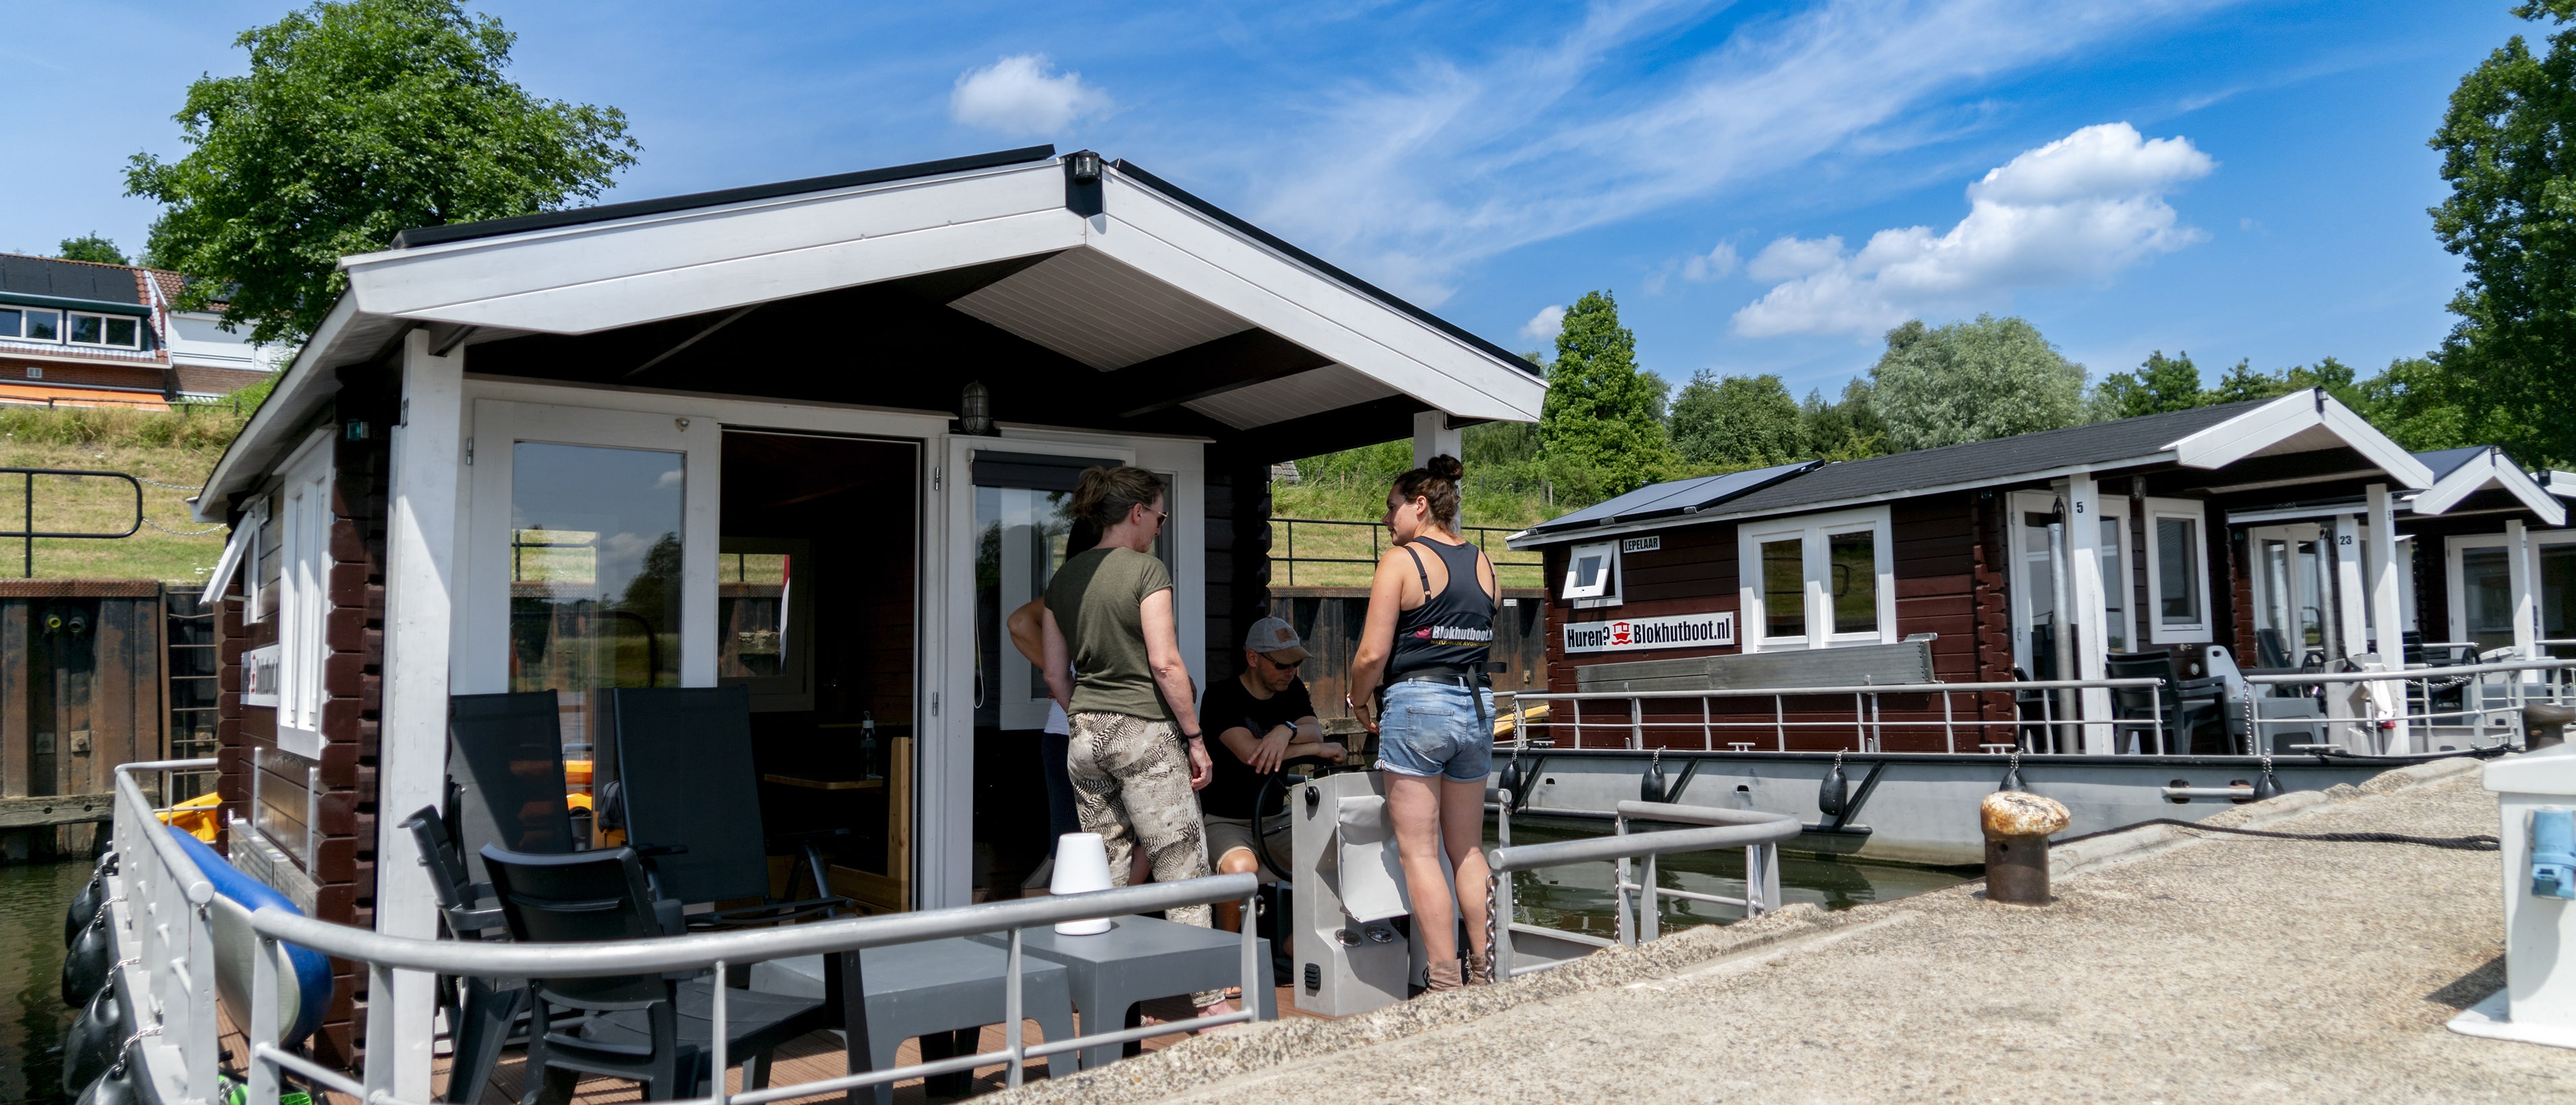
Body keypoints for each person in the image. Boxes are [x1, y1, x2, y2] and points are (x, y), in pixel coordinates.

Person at [1039, 465, 1239, 1024]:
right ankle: (1211, 1001)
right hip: (1144, 731)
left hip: (1083, 736)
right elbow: (1165, 662)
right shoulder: (1146, 570)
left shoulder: (1065, 578)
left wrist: (1089, 715)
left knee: (1109, 867)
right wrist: (1195, 739)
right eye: (1158, 514)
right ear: (1135, 514)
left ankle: (1113, 996)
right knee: (1180, 860)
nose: (1159, 524)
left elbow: (1056, 676)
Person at [1346, 454, 1498, 991]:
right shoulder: (1485, 563)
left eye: (1391, 509)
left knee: (1418, 850)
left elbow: (1371, 654)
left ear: (1419, 504)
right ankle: (1485, 967)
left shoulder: (1401, 561)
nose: (1387, 520)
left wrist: (1358, 699)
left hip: (1418, 703)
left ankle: (1443, 981)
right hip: (1478, 706)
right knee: (1468, 849)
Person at [1197, 616, 1344, 929]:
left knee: (1337, 852)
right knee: (1240, 870)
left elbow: (1313, 730)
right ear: (1253, 658)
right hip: (1224, 820)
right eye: (1281, 665)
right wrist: (1313, 750)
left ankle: (1302, 941)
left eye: (1295, 665)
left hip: (1276, 819)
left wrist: (1284, 731)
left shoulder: (1291, 692)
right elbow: (1253, 755)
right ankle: (1229, 953)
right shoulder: (1221, 696)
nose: (1290, 672)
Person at [1005, 518, 1103, 865]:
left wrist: (1061, 676)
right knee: (1102, 847)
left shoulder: (1068, 588)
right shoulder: (1085, 587)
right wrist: (1060, 674)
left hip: (1065, 729)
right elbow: (1018, 623)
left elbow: (1018, 623)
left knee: (1072, 848)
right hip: (1090, 729)